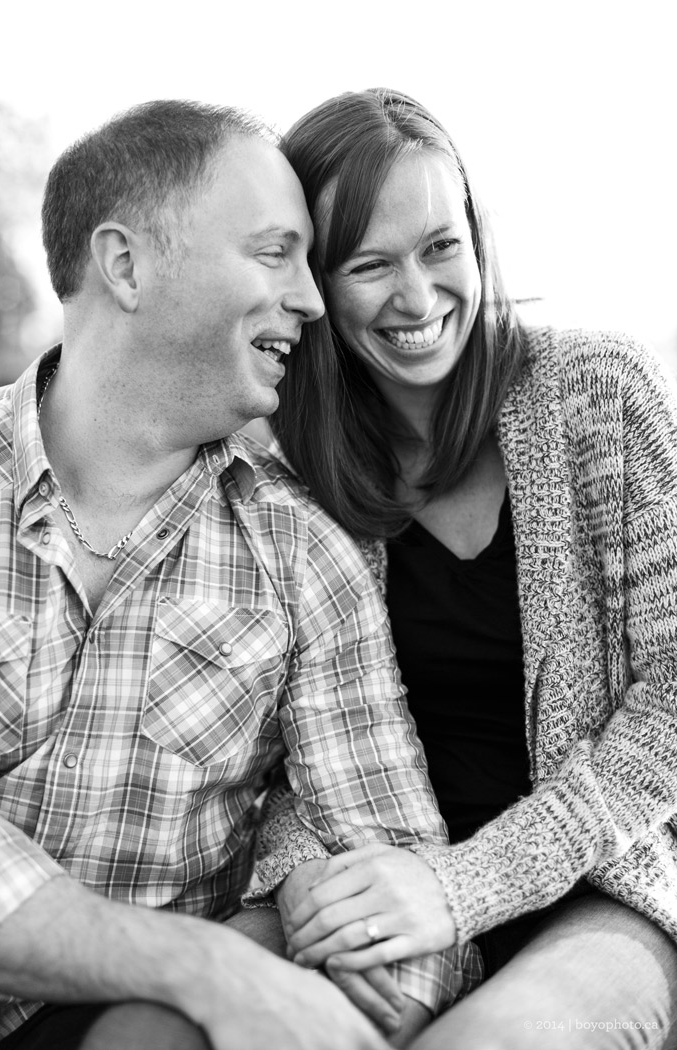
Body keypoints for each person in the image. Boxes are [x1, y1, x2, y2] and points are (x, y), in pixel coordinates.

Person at [0, 99, 482, 1050]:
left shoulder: (304, 557)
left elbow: (401, 888)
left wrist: (300, 963)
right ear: (126, 265)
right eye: (273, 253)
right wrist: (203, 964)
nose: (315, 300)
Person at [250, 88, 677, 1048]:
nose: (417, 297)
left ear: (478, 237)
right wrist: (299, 875)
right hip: (391, 886)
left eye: (441, 246)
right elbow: (271, 751)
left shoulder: (599, 396)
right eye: (369, 264)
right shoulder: (290, 477)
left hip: (608, 885)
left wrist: (466, 886)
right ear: (316, 284)